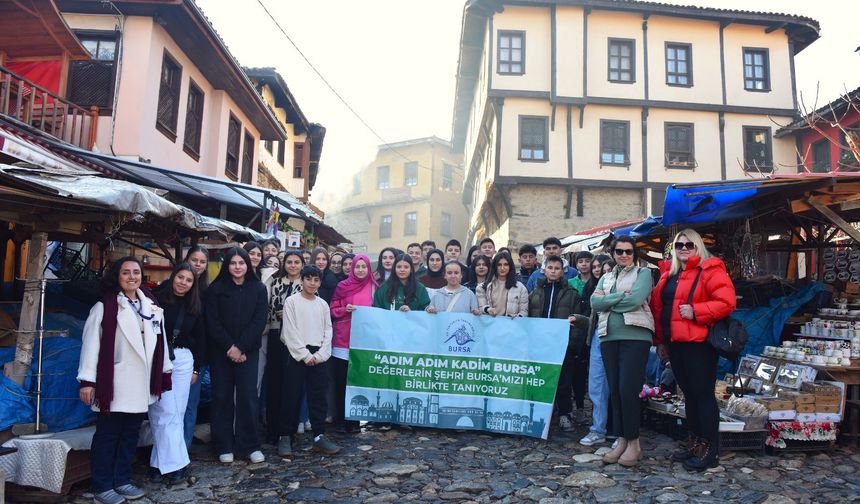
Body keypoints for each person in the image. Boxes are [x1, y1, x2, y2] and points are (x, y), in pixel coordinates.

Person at [78, 257, 172, 504]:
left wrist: (164, 372)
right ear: (116, 276)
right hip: (115, 383)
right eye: (126, 272)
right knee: (108, 435)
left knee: (130, 434)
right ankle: (101, 486)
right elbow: (91, 345)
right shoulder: (105, 307)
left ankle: (122, 480)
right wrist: (87, 380)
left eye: (136, 272)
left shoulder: (151, 305)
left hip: (140, 383)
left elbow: (160, 343)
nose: (132, 276)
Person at [650, 229, 736, 471]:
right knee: (688, 394)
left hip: (698, 344)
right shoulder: (669, 273)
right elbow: (659, 309)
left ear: (698, 246)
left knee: (703, 395)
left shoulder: (710, 269)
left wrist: (697, 311)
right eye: (679, 245)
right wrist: (660, 341)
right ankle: (696, 442)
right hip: (675, 343)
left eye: (689, 244)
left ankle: (710, 449)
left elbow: (727, 302)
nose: (684, 248)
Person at [591, 236, 654, 467]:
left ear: (634, 253)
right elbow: (594, 304)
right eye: (619, 251)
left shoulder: (643, 274)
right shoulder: (606, 277)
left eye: (628, 251)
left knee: (629, 390)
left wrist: (607, 300)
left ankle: (634, 443)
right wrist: (618, 297)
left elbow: (635, 300)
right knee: (615, 390)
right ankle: (621, 441)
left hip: (635, 336)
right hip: (608, 337)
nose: (624, 255)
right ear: (613, 253)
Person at [206, 247, 268, 464]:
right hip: (221, 352)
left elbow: (259, 321)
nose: (238, 267)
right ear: (227, 265)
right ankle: (223, 445)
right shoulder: (216, 288)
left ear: (247, 265)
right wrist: (230, 348)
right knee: (222, 398)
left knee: (248, 398)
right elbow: (212, 322)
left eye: (241, 263)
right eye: (233, 263)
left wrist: (240, 347)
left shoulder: (258, 288)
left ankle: (250, 445)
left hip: (248, 352)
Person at [149, 263, 203, 485]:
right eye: (180, 277)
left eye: (189, 280)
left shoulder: (195, 306)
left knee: (177, 413)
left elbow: (201, 339)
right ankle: (178, 464)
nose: (183, 282)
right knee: (164, 411)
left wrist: (197, 367)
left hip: (184, 360)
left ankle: (158, 463)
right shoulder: (155, 298)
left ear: (193, 284)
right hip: (158, 358)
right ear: (173, 277)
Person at [280, 265, 341, 456]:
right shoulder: (291, 302)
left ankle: (319, 436)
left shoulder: (322, 304)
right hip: (298, 353)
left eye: (316, 280)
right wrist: (305, 355)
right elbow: (290, 331)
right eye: (309, 279)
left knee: (318, 397)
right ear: (302, 280)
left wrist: (320, 355)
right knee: (291, 396)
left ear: (320, 282)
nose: (312, 283)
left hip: (318, 355)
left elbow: (328, 330)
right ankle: (285, 436)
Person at [527, 256, 588, 432]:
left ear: (563, 271)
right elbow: (529, 315)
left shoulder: (571, 294)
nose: (553, 271)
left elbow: (577, 320)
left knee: (563, 381)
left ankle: (564, 414)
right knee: (539, 379)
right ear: (544, 269)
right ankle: (539, 413)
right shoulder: (535, 293)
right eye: (550, 267)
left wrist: (571, 344)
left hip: (562, 346)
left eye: (557, 268)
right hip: (539, 345)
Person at [329, 255, 377, 433]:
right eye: (358, 267)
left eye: (364, 267)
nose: (361, 270)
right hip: (342, 341)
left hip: (364, 343)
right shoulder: (342, 286)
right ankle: (340, 420)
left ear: (368, 269)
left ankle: (354, 420)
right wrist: (344, 310)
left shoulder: (374, 287)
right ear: (352, 268)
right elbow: (332, 309)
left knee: (358, 381)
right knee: (341, 383)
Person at [264, 250, 305, 442]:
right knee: (275, 383)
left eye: (297, 262)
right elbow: (267, 306)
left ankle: (289, 429)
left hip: (297, 338)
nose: (293, 265)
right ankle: (273, 429)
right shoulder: (275, 282)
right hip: (275, 334)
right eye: (289, 262)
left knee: (293, 384)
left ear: (302, 265)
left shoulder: (307, 284)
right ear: (284, 263)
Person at [580, 255, 616, 447]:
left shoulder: (623, 284)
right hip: (597, 337)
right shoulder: (593, 289)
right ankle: (598, 428)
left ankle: (620, 432)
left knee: (618, 385)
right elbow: (594, 313)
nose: (602, 272)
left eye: (607, 270)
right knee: (596, 385)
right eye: (600, 270)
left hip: (617, 334)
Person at [182, 246, 208, 448]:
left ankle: (184, 448)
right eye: (194, 259)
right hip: (174, 355)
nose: (197, 264)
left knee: (191, 404)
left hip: (198, 356)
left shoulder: (208, 291)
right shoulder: (174, 287)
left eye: (202, 261)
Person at [476, 251, 528, 318]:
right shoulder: (482, 287)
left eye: (506, 264)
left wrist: (518, 317)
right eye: (499, 265)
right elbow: (481, 307)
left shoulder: (521, 288)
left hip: (511, 326)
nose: (502, 268)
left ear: (510, 266)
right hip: (489, 325)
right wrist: (488, 309)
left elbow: (524, 312)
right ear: (495, 266)